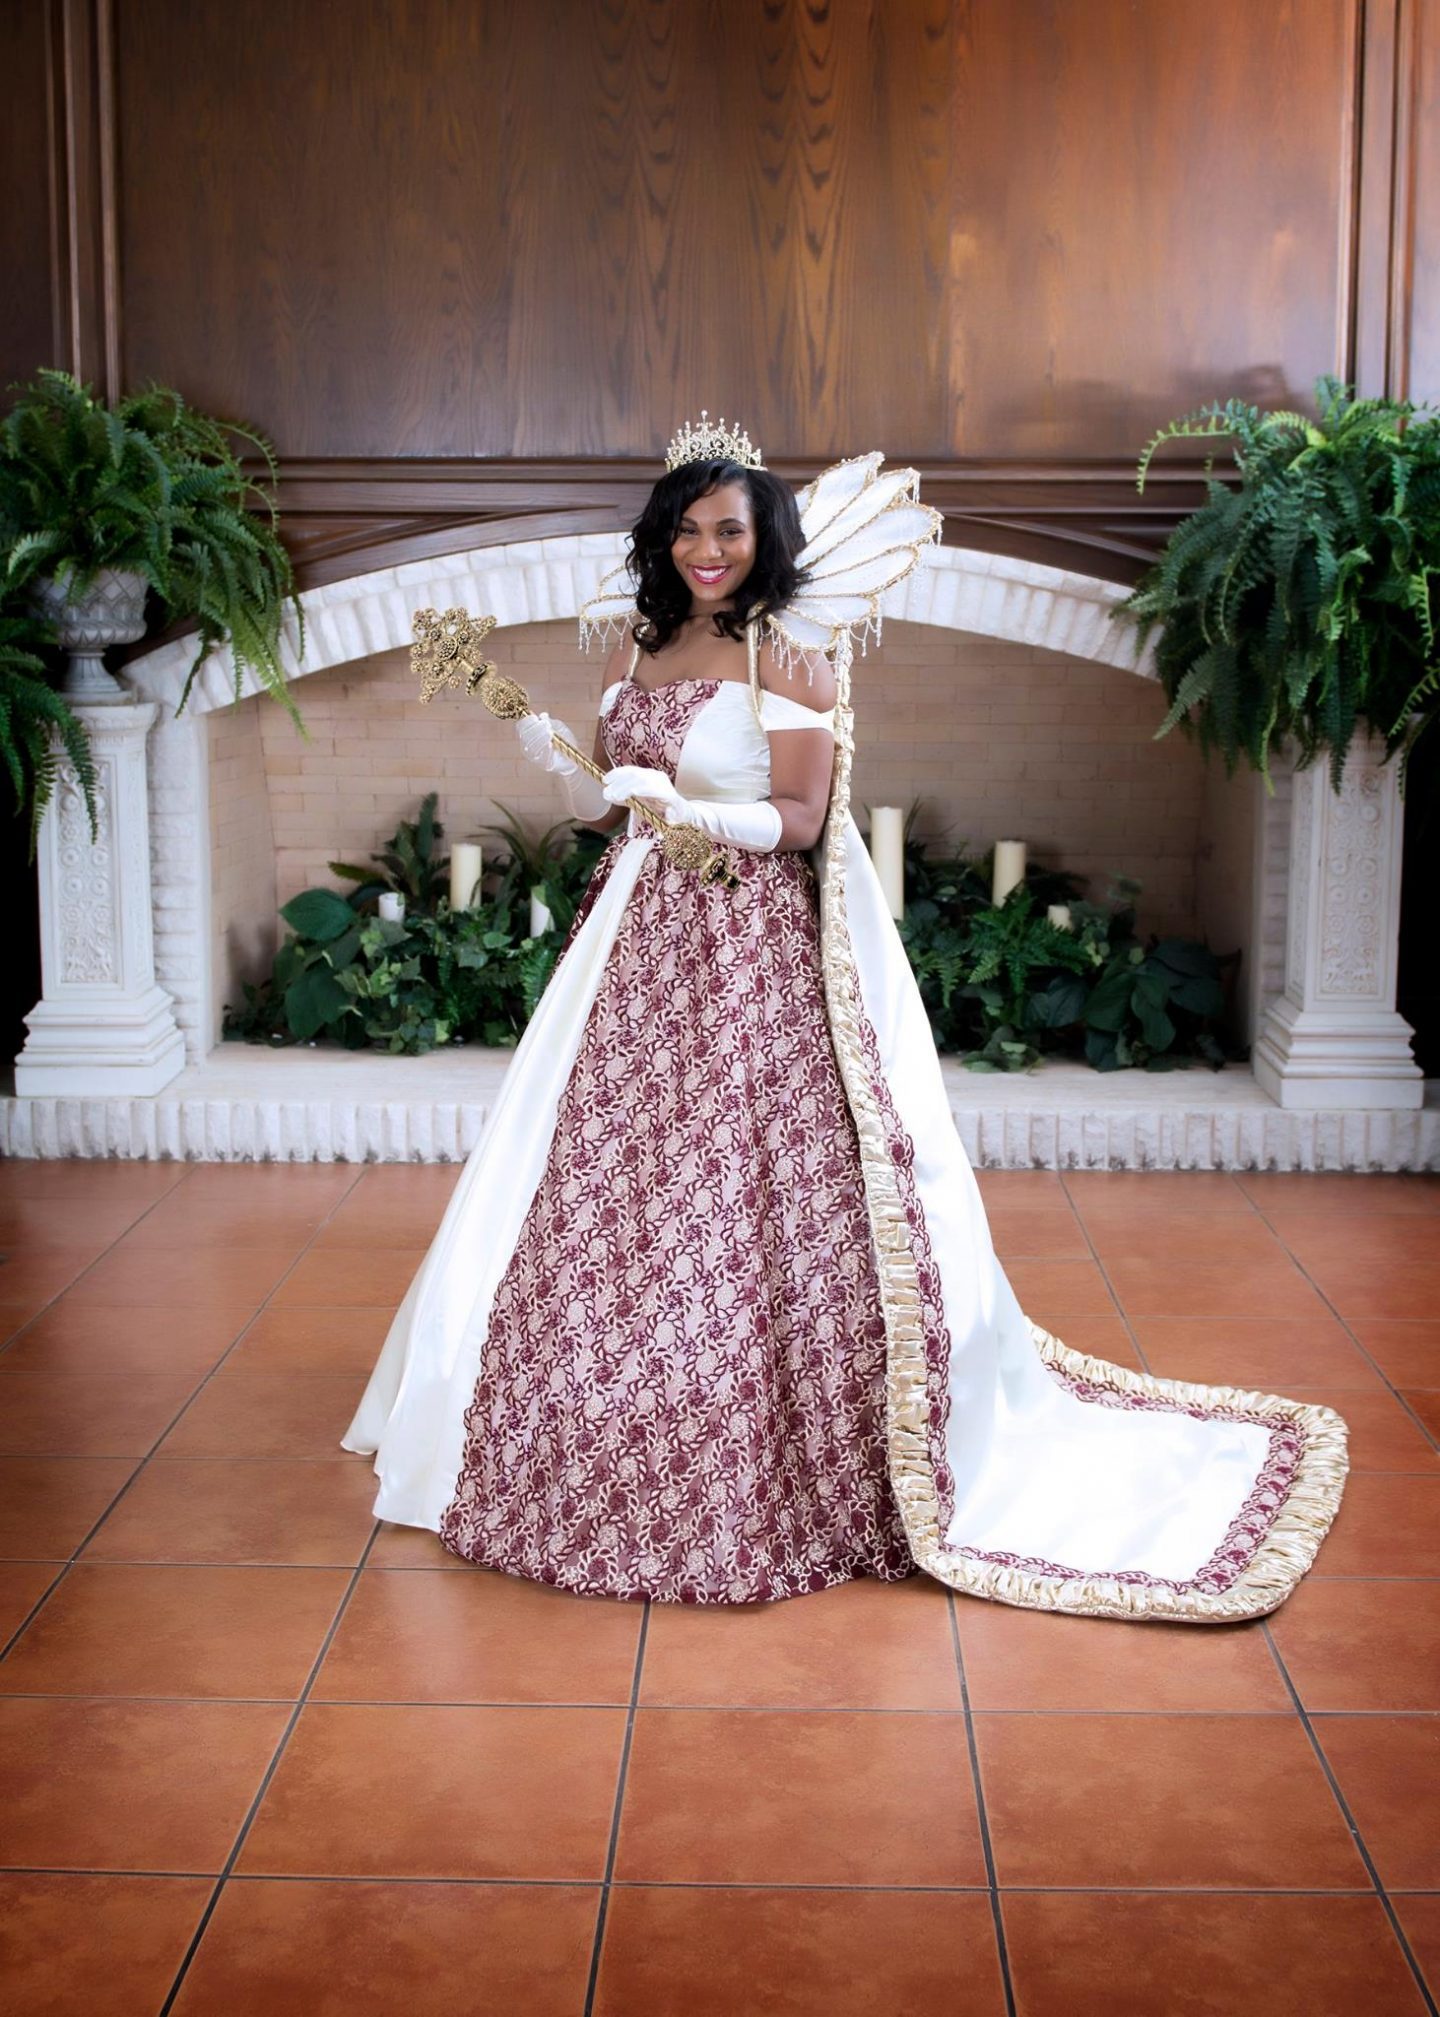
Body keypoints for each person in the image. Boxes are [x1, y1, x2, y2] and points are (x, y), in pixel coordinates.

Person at [344, 415, 1348, 1620]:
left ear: (764, 538)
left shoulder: (791, 658)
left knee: (738, 1173)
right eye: (687, 529)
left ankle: (756, 1402)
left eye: (729, 530)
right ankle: (598, 1382)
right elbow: (611, 809)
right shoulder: (631, 644)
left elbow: (802, 819)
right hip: (633, 939)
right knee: (609, 1166)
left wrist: (686, 810)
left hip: (748, 949)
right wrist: (567, 761)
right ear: (662, 538)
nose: (705, 550)